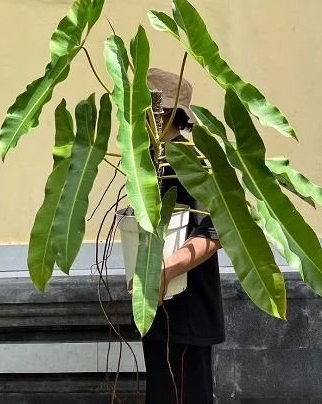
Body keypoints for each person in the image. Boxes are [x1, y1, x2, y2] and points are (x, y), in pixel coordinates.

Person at [138, 67, 225, 404]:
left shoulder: (191, 161)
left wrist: (165, 271)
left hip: (189, 316)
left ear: (160, 112)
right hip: (157, 311)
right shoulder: (148, 162)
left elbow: (215, 231)